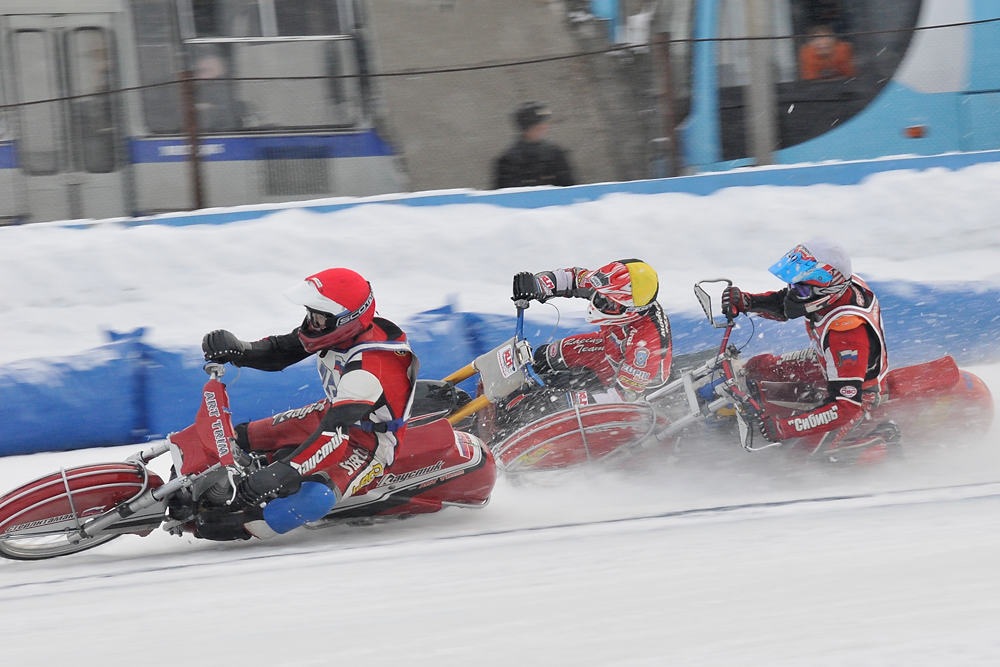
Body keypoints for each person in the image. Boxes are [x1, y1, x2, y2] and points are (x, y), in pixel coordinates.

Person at [199, 267, 418, 540]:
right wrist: (239, 349)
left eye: (318, 317)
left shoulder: (370, 367)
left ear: (346, 320)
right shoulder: (338, 332)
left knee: (315, 497)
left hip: (368, 444)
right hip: (332, 414)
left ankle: (244, 526)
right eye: (310, 314)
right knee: (240, 437)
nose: (311, 323)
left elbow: (333, 436)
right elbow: (281, 351)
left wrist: (282, 472)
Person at [721, 239, 899, 464]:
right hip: (825, 362)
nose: (792, 293)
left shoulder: (847, 332)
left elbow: (846, 406)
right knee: (756, 367)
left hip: (858, 394)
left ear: (825, 289)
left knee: (801, 459)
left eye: (801, 288)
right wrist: (747, 301)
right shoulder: (839, 287)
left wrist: (784, 428)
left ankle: (884, 439)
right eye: (793, 286)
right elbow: (789, 303)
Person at [511, 258, 672, 401]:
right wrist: (536, 284)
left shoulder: (646, 345)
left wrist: (562, 400)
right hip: (607, 347)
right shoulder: (610, 286)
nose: (598, 300)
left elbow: (622, 399)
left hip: (634, 390)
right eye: (601, 295)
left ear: (629, 310)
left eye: (608, 301)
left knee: (556, 404)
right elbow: (573, 278)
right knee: (543, 357)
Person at [493, 101, 576, 189]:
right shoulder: (508, 160)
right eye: (539, 124)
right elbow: (506, 192)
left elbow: (570, 188)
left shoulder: (556, 154)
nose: (544, 127)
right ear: (528, 126)